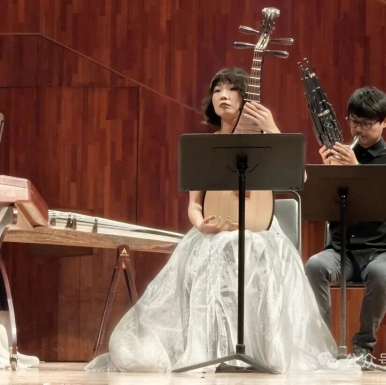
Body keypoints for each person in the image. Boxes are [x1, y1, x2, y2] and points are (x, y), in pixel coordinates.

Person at [85, 67, 343, 374]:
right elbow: (194, 206)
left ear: (246, 98)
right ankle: (212, 351)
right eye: (218, 89)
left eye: (232, 89)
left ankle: (264, 352)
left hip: (261, 232)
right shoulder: (206, 147)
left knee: (255, 252)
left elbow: (299, 179)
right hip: (214, 230)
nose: (223, 95)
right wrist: (200, 224)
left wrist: (272, 128)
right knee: (217, 252)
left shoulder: (265, 141)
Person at [304, 86, 386, 359]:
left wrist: (356, 170)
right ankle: (323, 347)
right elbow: (320, 207)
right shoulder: (338, 156)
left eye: (366, 124)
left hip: (384, 250)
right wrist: (326, 176)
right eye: (354, 122)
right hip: (342, 250)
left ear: (385, 121)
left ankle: (363, 347)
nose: (358, 130)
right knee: (314, 265)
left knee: (379, 273)